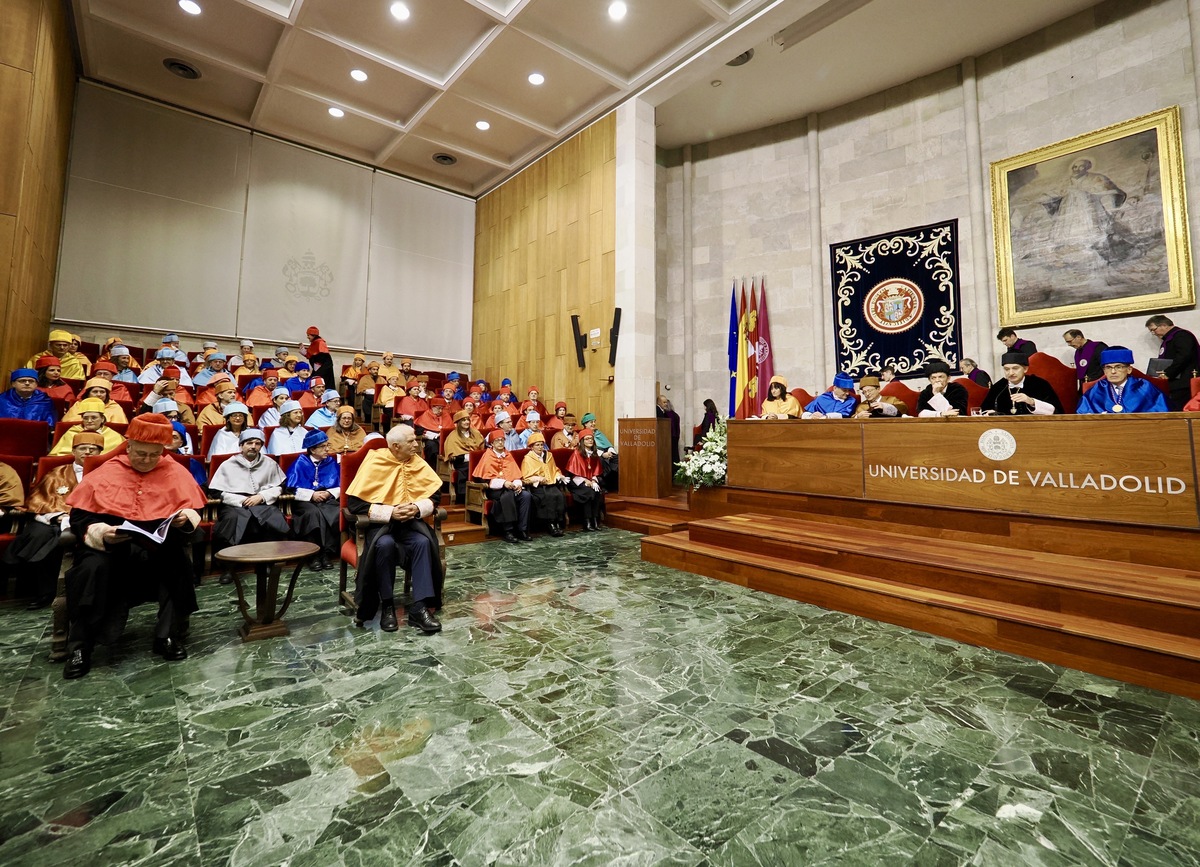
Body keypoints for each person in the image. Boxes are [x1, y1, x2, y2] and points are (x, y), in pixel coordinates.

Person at [61, 413, 207, 679]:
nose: (147, 460)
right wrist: (102, 532)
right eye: (140, 454)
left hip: (156, 548)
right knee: (91, 570)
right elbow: (81, 517)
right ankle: (80, 647)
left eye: (154, 455)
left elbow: (193, 507)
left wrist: (185, 519)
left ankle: (168, 637)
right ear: (128, 447)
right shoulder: (107, 470)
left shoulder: (173, 470)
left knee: (177, 563)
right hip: (110, 549)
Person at [345, 424, 444, 634]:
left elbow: (434, 496)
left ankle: (420, 607)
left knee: (423, 542)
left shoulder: (417, 461)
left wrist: (416, 508)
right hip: (380, 527)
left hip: (410, 524)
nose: (417, 444)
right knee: (385, 544)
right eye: (412, 441)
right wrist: (390, 512)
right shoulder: (375, 461)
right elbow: (355, 504)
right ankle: (387, 605)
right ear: (396, 446)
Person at [3, 432, 104, 608]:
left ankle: (62, 594)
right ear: (73, 450)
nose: (87, 452)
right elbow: (39, 500)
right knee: (39, 533)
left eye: (93, 449)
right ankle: (43, 593)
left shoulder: (107, 474)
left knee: (57, 541)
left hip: (88, 522)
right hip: (52, 519)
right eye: (82, 448)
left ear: (100, 452)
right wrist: (56, 517)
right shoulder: (57, 473)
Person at [209, 428, 290, 585]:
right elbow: (215, 491)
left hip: (261, 502)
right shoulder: (228, 464)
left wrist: (262, 496)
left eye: (257, 443)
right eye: (249, 443)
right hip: (235, 504)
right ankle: (228, 567)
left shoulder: (269, 463)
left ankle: (267, 562)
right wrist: (241, 501)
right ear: (241, 445)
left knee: (272, 517)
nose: (253, 446)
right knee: (231, 520)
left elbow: (281, 486)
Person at [286, 429, 340, 570]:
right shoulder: (300, 462)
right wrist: (311, 495)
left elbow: (341, 484)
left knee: (333, 513)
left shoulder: (331, 462)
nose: (327, 449)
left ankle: (326, 554)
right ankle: (313, 555)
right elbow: (290, 488)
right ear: (312, 449)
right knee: (312, 515)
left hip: (327, 500)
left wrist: (329, 493)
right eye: (323, 447)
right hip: (305, 502)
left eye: (328, 445)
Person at [473, 430, 531, 543]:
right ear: (492, 443)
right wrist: (503, 483)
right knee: (507, 496)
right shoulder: (487, 456)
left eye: (502, 440)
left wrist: (518, 484)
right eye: (497, 441)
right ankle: (508, 530)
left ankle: (522, 529)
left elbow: (515, 473)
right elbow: (485, 478)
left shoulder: (508, 455)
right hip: (494, 489)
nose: (500, 443)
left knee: (526, 495)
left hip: (511, 486)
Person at [1076, 347, 1169, 414]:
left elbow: (1162, 413)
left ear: (1129, 369)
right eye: (1108, 367)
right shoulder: (1096, 389)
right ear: (1104, 370)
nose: (1113, 371)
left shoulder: (1144, 387)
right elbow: (1082, 415)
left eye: (1118, 367)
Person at [980, 353, 1063, 416]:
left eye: (1015, 368)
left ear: (1025, 369)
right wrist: (991, 414)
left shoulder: (1039, 384)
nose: (1011, 373)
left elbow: (1055, 411)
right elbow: (984, 410)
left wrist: (1032, 402)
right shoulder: (999, 387)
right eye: (1007, 369)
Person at [1146, 314, 1200, 411]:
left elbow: (1184, 356)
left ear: (1164, 325)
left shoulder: (1182, 335)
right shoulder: (1170, 338)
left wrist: (1167, 373)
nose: (1154, 333)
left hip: (1184, 383)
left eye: (1154, 329)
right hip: (1175, 383)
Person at [520, 433, 567, 536]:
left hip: (550, 483)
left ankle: (558, 522)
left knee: (559, 495)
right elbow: (526, 477)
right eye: (537, 445)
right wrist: (538, 479)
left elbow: (554, 469)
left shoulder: (549, 455)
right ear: (531, 447)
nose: (540, 447)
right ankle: (551, 525)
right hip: (537, 487)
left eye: (541, 444)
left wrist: (558, 476)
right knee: (548, 497)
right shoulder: (528, 458)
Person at [50, 398, 126, 455]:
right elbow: (59, 456)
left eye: (94, 417)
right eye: (86, 418)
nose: (89, 421)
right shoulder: (73, 432)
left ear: (102, 419)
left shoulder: (114, 436)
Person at [566, 430, 606, 531]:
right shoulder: (577, 453)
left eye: (591, 439)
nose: (590, 441)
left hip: (590, 481)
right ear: (582, 441)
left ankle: (595, 520)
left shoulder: (594, 454)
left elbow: (596, 471)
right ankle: (587, 521)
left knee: (597, 492)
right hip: (576, 481)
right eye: (587, 439)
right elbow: (573, 474)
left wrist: (593, 480)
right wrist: (585, 481)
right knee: (588, 493)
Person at [443, 408, 483, 503]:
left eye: (468, 420)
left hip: (477, 461)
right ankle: (465, 497)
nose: (466, 422)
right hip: (461, 463)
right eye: (463, 420)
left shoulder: (475, 433)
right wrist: (468, 456)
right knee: (467, 468)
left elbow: (481, 447)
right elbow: (454, 455)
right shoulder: (453, 436)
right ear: (458, 423)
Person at [61, 377, 128, 425]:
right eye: (95, 391)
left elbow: (119, 427)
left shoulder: (114, 407)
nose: (99, 394)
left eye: (102, 392)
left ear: (106, 394)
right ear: (88, 393)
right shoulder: (78, 405)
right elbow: (69, 423)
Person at [580, 412, 618, 491]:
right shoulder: (582, 434)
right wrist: (603, 454)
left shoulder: (598, 433)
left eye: (594, 421)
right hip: (594, 453)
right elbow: (587, 448)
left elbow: (608, 444)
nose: (593, 424)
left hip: (606, 452)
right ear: (585, 424)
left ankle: (615, 483)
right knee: (600, 460)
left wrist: (610, 451)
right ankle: (604, 484)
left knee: (617, 458)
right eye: (591, 422)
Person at [167, 421, 207, 488]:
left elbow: (199, 489)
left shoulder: (191, 463)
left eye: (174, 437)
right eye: (166, 435)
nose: (169, 440)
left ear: (181, 443)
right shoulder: (152, 459)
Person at [414, 397, 452, 465]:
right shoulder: (426, 415)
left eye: (442, 408)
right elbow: (419, 431)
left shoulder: (445, 415)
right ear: (432, 407)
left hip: (445, 439)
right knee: (432, 446)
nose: (440, 411)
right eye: (438, 408)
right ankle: (433, 466)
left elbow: (451, 429)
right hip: (430, 439)